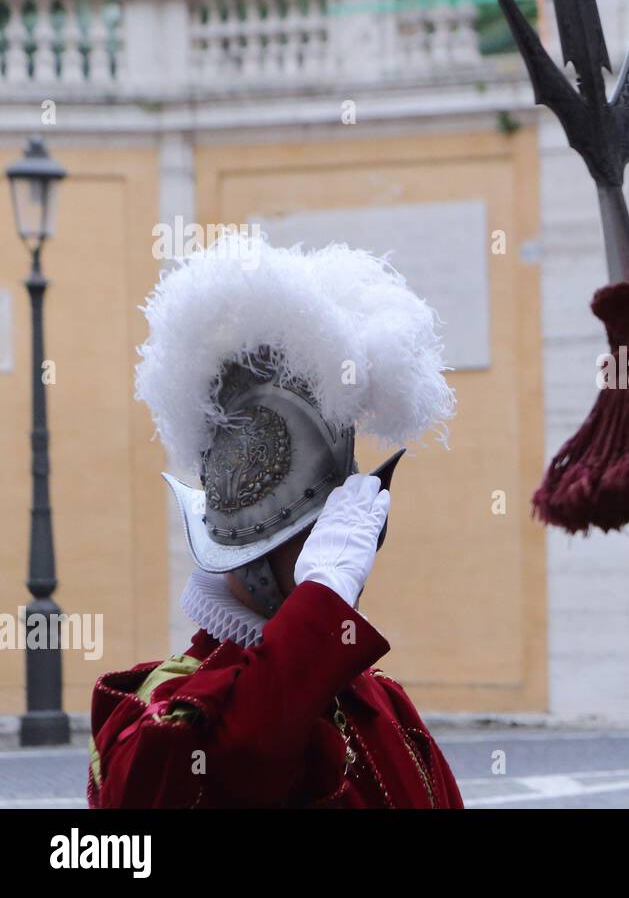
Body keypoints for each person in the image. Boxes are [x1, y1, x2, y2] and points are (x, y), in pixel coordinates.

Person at [89, 236, 462, 808]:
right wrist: (321, 601)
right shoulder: (166, 709)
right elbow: (228, 768)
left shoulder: (384, 706)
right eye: (319, 536)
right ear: (258, 556)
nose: (353, 564)